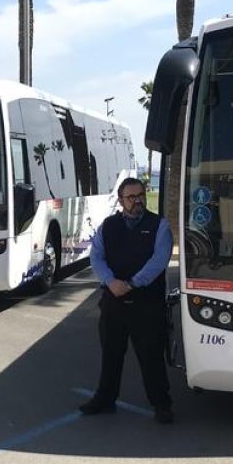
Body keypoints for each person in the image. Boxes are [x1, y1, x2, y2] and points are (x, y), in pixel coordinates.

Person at [79, 177, 175, 424]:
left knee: (151, 356)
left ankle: (161, 404)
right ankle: (105, 398)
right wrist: (111, 282)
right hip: (114, 301)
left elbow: (159, 261)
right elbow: (97, 258)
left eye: (140, 195)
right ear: (121, 201)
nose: (137, 201)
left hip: (147, 304)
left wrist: (132, 283)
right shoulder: (108, 226)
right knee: (111, 353)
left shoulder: (159, 225)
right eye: (131, 197)